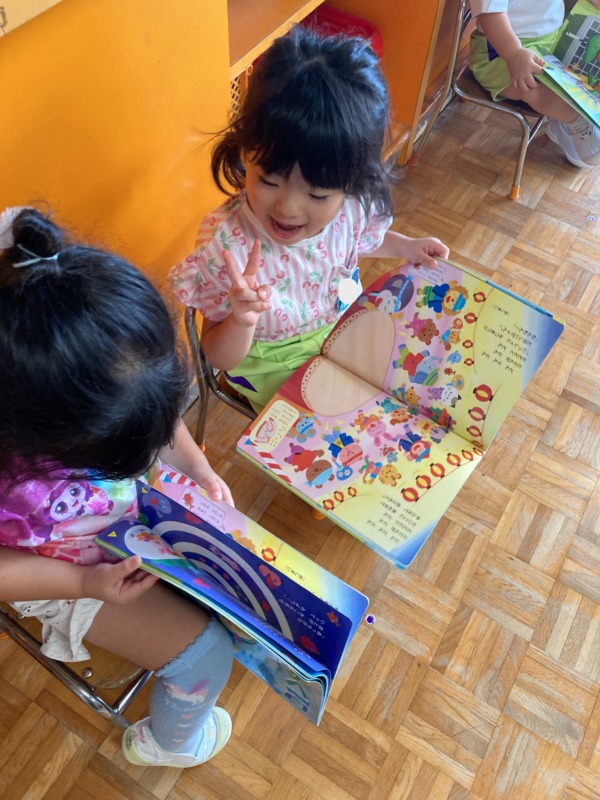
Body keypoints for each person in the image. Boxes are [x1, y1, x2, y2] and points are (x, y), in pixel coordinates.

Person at [0, 206, 235, 769]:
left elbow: (153, 419)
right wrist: (82, 581)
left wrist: (198, 470)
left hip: (127, 528)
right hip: (59, 575)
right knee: (208, 658)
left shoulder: (104, 368)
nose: (149, 443)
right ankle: (167, 745)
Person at [170, 26, 450, 413]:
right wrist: (242, 320)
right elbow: (218, 358)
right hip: (268, 360)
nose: (288, 208)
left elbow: (356, 240)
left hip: (340, 328)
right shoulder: (226, 246)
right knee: (341, 425)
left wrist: (406, 247)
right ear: (244, 153)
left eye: (317, 195)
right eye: (268, 181)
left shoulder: (350, 206)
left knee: (414, 385)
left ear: (352, 181)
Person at [469, 0, 600, 168]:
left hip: (553, 36)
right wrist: (513, 53)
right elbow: (489, 13)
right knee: (535, 85)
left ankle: (566, 123)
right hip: (501, 50)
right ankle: (580, 124)